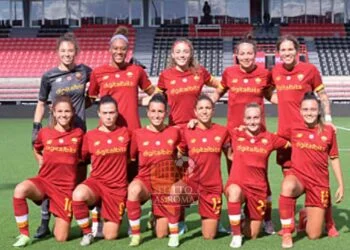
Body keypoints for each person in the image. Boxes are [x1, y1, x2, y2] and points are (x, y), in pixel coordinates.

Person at [271, 35, 337, 236]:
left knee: (320, 179)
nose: (287, 53)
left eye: (290, 49)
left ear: (298, 51)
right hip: (285, 136)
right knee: (289, 181)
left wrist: (327, 118)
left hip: (309, 134)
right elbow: (269, 93)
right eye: (283, 50)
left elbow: (323, 96)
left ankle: (330, 222)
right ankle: (292, 223)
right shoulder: (275, 71)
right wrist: (280, 101)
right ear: (278, 53)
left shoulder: (310, 70)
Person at [211, 36, 276, 234]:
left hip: (258, 135)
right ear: (236, 55)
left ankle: (267, 218)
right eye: (242, 53)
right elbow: (218, 92)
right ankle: (237, 216)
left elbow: (271, 95)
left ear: (255, 55)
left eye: (250, 53)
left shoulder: (265, 74)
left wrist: (294, 103)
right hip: (234, 136)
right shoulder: (229, 73)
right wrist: (203, 107)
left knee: (261, 177)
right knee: (234, 178)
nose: (246, 57)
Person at [156, 38, 220, 234]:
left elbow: (219, 86)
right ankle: (179, 219)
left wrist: (208, 105)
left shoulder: (200, 72)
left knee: (204, 172)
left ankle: (211, 214)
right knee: (179, 176)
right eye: (178, 52)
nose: (182, 55)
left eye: (186, 51)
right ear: (173, 55)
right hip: (176, 132)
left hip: (197, 129)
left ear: (190, 53)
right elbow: (157, 100)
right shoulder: (165, 76)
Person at [32, 32, 91, 239]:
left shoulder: (84, 72)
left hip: (79, 132)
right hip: (55, 135)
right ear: (58, 53)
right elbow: (41, 103)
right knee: (50, 178)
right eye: (63, 50)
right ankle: (44, 221)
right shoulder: (49, 76)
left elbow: (102, 80)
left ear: (76, 52)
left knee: (79, 177)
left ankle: (82, 213)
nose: (67, 54)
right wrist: (36, 127)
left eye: (71, 50)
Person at [13, 96, 84, 247]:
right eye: (59, 111)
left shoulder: (79, 134)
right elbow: (36, 147)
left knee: (61, 237)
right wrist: (39, 160)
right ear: (53, 112)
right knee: (20, 190)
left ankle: (55, 212)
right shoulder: (45, 132)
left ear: (73, 112)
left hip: (65, 189)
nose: (63, 115)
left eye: (67, 111)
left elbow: (85, 158)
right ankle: (24, 234)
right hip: (44, 182)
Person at [278, 92, 344, 248]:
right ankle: (287, 233)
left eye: (313, 110)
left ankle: (304, 216)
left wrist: (341, 185)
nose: (309, 113)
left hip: (319, 183)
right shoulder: (293, 128)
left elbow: (334, 158)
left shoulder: (328, 131)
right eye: (306, 109)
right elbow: (273, 137)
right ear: (300, 111)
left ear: (319, 111)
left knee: (313, 235)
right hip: (298, 177)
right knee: (287, 185)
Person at [225, 103, 289, 248]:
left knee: (253, 234)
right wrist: (194, 121)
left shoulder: (270, 138)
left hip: (258, 189)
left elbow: (290, 145)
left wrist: (288, 165)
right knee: (234, 191)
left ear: (261, 119)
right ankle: (236, 235)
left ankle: (243, 218)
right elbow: (211, 131)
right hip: (238, 185)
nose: (252, 121)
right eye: (249, 118)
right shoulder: (235, 133)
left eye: (256, 117)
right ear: (244, 120)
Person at [72, 95, 130, 246]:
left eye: (112, 112)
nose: (109, 116)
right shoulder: (90, 136)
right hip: (96, 183)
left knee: (110, 236)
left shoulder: (126, 133)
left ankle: (100, 210)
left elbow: (133, 158)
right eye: (105, 113)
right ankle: (87, 232)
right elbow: (83, 159)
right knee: (78, 194)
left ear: (117, 113)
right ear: (99, 113)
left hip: (116, 188)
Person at [172, 95, 230, 243]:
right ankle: (177, 226)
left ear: (213, 110)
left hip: (212, 187)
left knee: (209, 236)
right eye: (201, 108)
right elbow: (180, 154)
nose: (204, 111)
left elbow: (232, 156)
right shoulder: (187, 130)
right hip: (191, 184)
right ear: (195, 112)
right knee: (175, 190)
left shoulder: (222, 132)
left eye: (208, 108)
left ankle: (214, 221)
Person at [127, 94, 182, 247]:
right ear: (148, 112)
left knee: (161, 234)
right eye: (153, 111)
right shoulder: (138, 134)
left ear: (166, 113)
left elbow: (183, 153)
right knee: (133, 189)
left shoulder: (175, 132)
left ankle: (154, 215)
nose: (156, 115)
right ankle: (136, 235)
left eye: (160, 111)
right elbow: (131, 158)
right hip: (145, 180)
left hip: (165, 182)